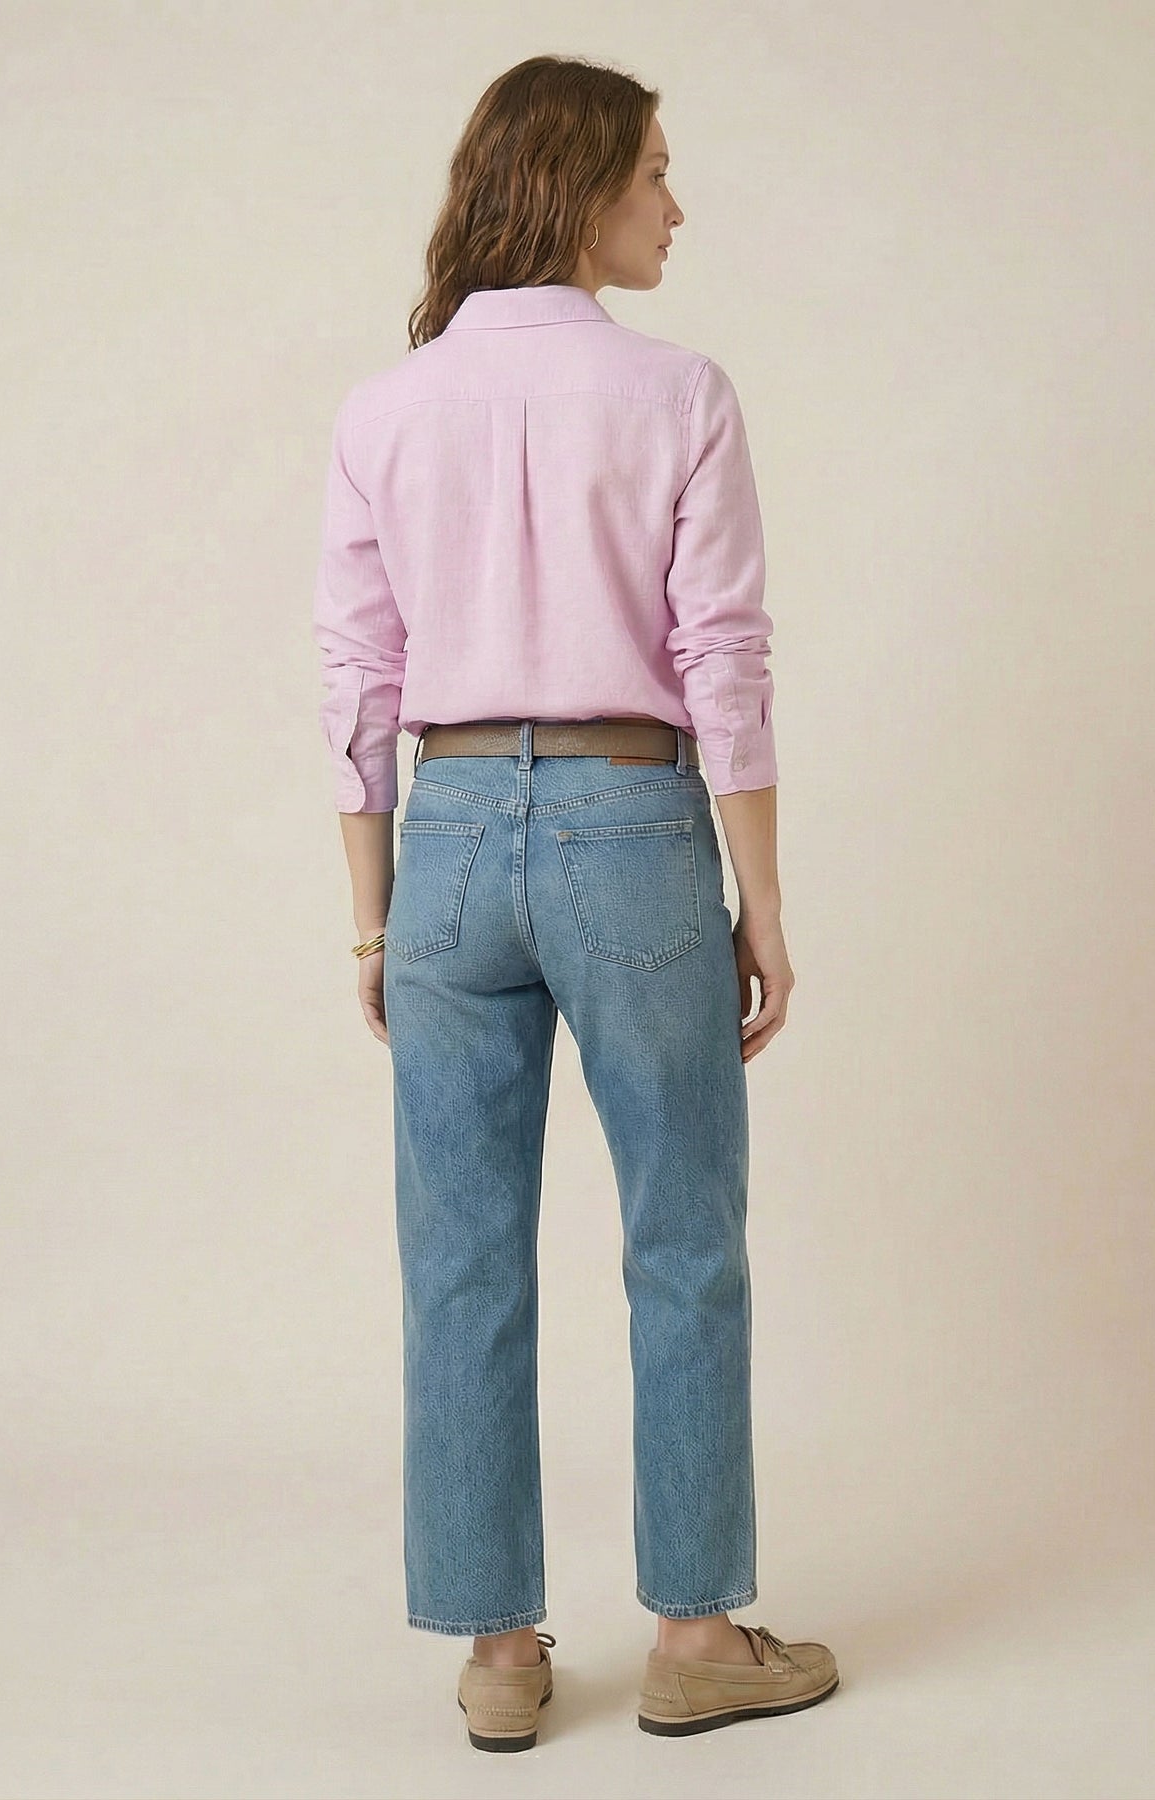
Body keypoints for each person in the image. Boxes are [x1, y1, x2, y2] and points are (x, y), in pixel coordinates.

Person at [311, 53, 839, 1749]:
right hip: (630, 830)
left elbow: (358, 680)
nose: (675, 206)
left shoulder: (385, 408)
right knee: (681, 1239)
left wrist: (374, 914)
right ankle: (694, 1634)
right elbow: (722, 660)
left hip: (449, 841)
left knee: (458, 1257)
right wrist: (762, 901)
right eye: (654, 173)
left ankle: (496, 1651)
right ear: (579, 185)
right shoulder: (676, 393)